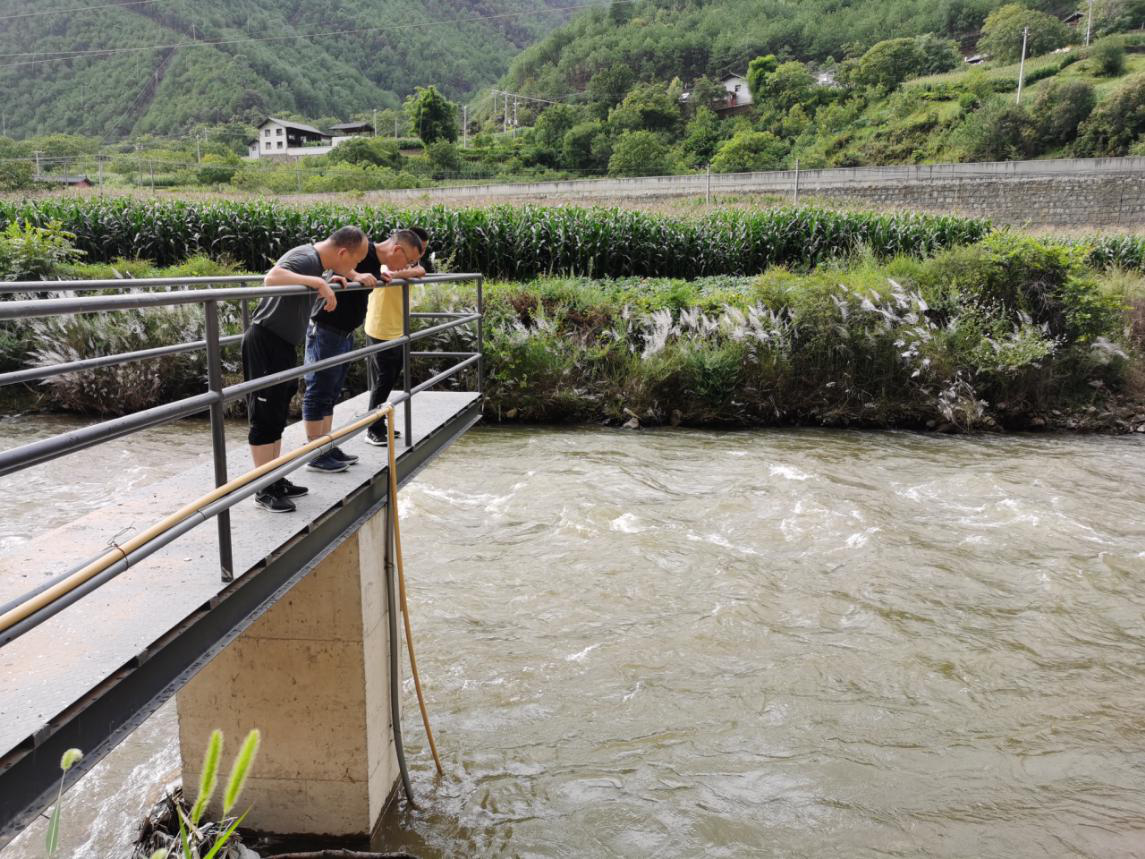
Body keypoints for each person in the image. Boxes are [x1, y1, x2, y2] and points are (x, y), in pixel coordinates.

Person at [243, 225, 369, 513]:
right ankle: (263, 489)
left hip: (283, 345)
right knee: (264, 416)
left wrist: (325, 281)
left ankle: (274, 479)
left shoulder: (318, 265)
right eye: (357, 260)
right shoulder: (306, 258)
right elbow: (272, 277)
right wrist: (317, 282)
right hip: (265, 342)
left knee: (277, 415)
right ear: (342, 252)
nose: (357, 267)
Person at [300, 227, 426, 470]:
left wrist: (379, 278)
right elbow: (329, 260)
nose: (406, 267)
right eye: (408, 261)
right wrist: (356, 274)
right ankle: (315, 453)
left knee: (331, 391)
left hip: (344, 332)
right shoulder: (363, 248)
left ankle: (326, 446)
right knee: (319, 390)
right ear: (397, 250)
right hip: (326, 328)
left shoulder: (377, 263)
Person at [362, 228, 429, 446]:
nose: (418, 257)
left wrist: (408, 271)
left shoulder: (405, 263)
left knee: (389, 377)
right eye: (417, 252)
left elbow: (422, 270)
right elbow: (386, 274)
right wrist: (407, 272)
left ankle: (379, 422)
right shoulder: (385, 260)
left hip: (396, 328)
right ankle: (372, 428)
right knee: (383, 379)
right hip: (381, 327)